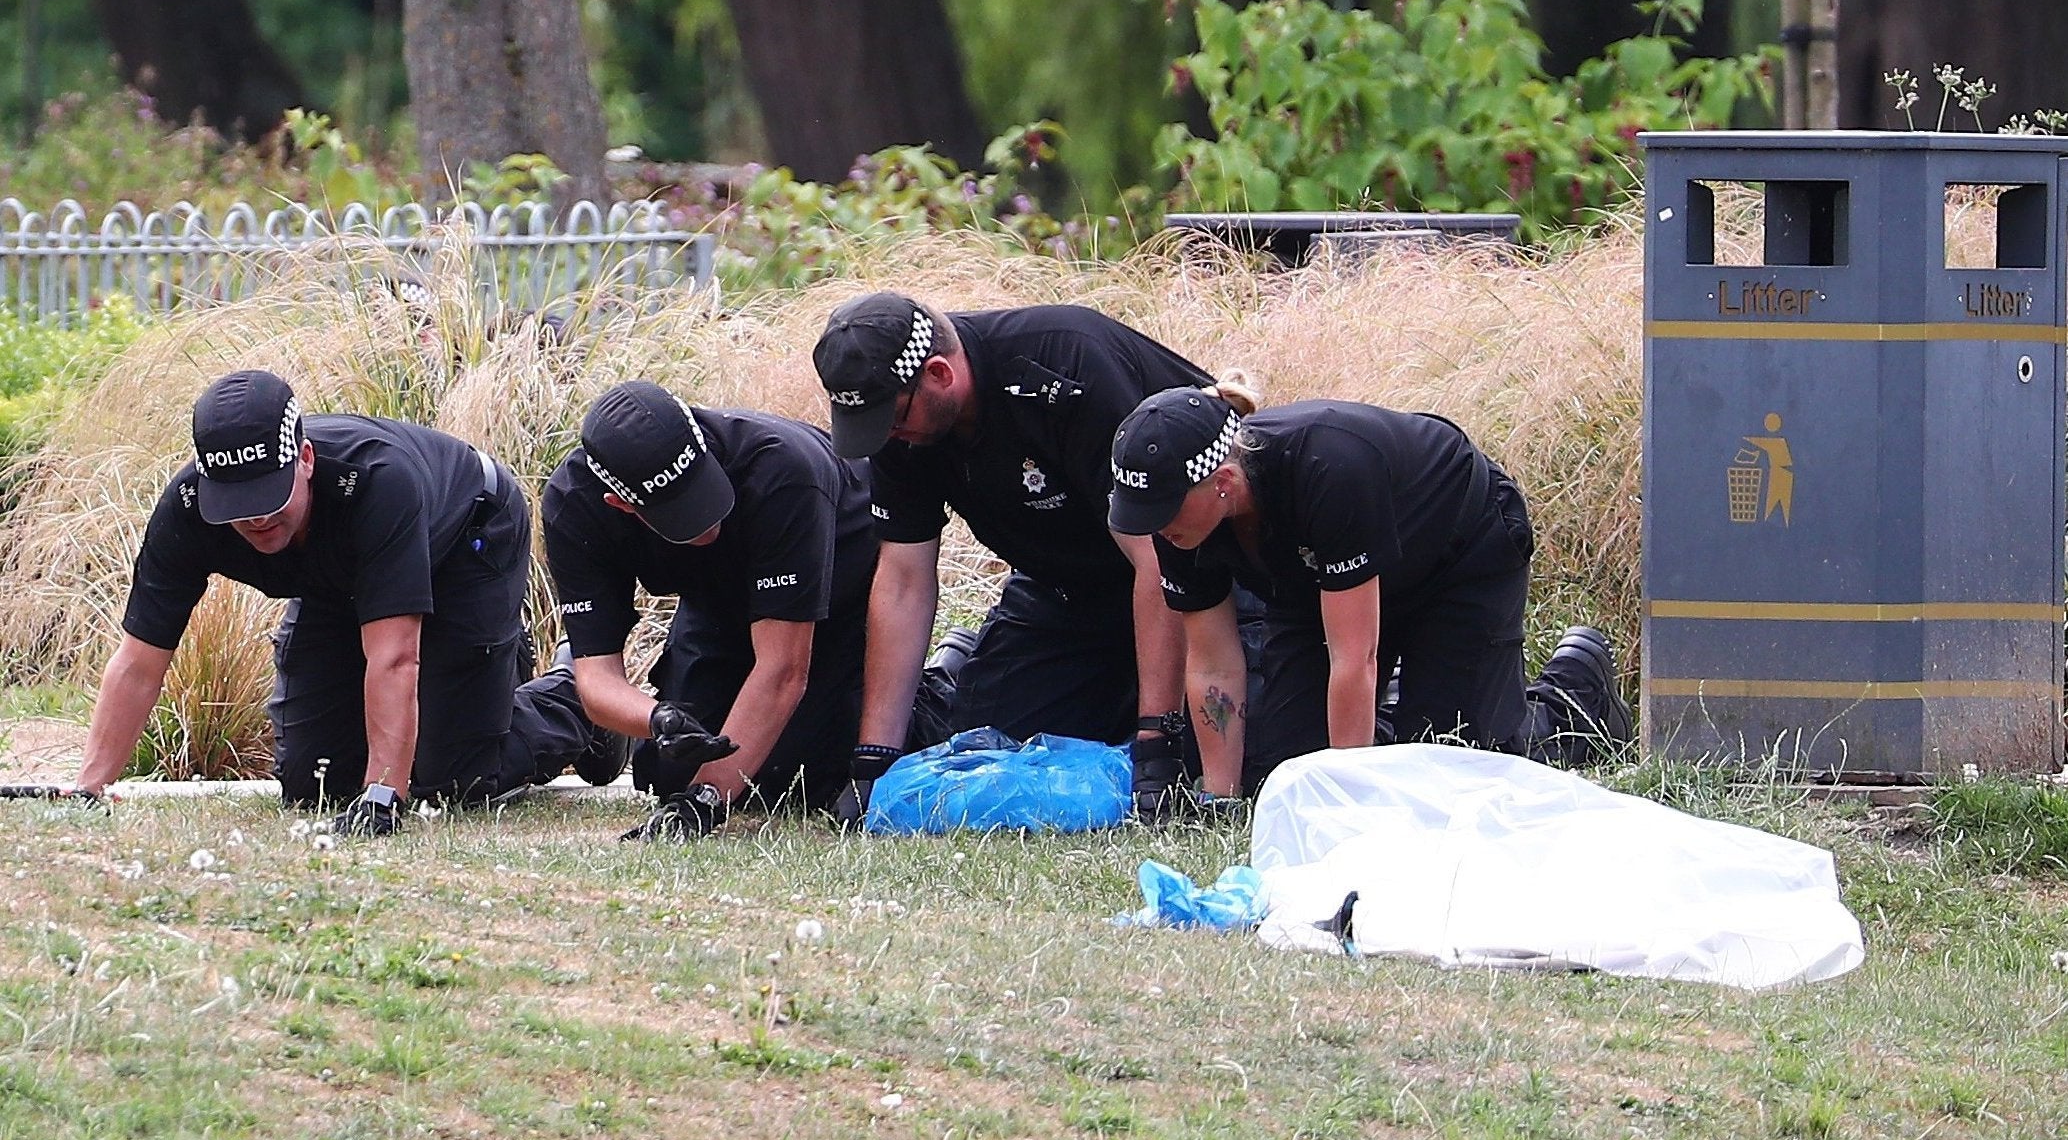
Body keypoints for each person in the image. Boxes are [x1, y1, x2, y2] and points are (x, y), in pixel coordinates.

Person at [74, 369, 609, 834]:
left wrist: (383, 795)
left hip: (466, 537)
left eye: (268, 495)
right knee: (318, 782)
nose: (256, 518)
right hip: (343, 577)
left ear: (305, 459)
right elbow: (140, 662)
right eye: (236, 503)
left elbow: (395, 656)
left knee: (449, 779)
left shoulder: (377, 483)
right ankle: (482, 686)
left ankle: (576, 701)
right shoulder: (187, 510)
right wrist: (89, 787)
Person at [812, 292, 1227, 820]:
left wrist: (1157, 741)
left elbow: (1158, 563)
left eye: (890, 420)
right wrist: (875, 763)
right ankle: (967, 664)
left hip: (1197, 581)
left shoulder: (1066, 364)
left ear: (939, 374)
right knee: (990, 752)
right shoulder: (901, 421)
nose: (887, 436)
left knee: (1230, 741)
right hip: (1065, 596)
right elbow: (903, 580)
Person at [1106, 382, 1632, 795]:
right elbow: (1213, 664)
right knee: (1283, 771)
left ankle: (1569, 701)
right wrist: (1220, 797)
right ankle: (1407, 712)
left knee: (1450, 764)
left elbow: (1353, 658)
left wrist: (1349, 799)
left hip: (1457, 555)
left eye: (1162, 511)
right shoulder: (1179, 523)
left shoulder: (1328, 467)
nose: (1155, 527)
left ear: (1222, 482)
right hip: (1316, 583)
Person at [541, 381, 890, 839]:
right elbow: (596, 678)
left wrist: (703, 802)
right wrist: (656, 720)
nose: (708, 519)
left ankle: (942, 680)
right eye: (680, 512)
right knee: (666, 773)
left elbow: (784, 671)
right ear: (621, 504)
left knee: (801, 778)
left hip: (835, 588)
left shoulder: (781, 469)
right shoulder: (573, 506)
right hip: (719, 601)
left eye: (704, 490)